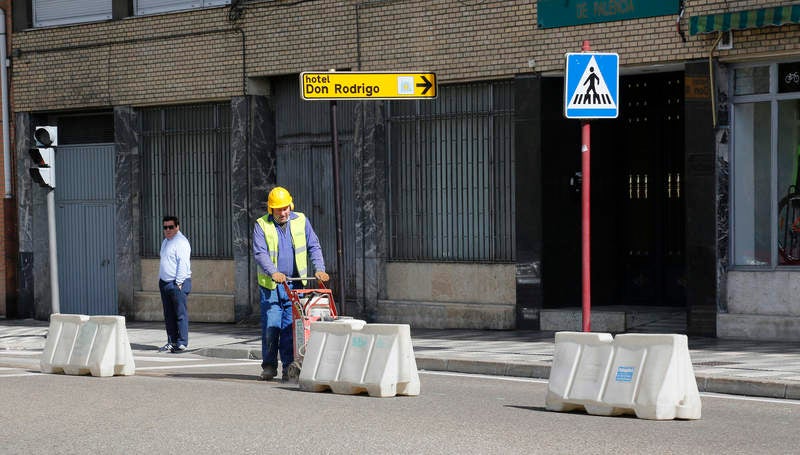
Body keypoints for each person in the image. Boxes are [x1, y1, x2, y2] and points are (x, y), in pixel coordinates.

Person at [253, 186, 329, 381]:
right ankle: (269, 366)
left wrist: (319, 269)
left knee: (289, 328)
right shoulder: (261, 225)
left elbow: (314, 246)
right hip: (271, 286)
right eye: (278, 209)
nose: (283, 212)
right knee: (272, 326)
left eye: (285, 208)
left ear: (290, 206)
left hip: (295, 284)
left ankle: (288, 367)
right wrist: (273, 272)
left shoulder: (301, 220)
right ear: (271, 209)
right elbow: (260, 253)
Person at [158, 215, 192, 353]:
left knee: (180, 314)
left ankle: (182, 342)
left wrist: (179, 282)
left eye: (171, 227)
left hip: (177, 283)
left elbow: (183, 263)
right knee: (168, 314)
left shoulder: (181, 242)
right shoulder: (166, 242)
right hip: (165, 283)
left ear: (177, 227)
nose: (168, 230)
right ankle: (171, 341)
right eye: (165, 227)